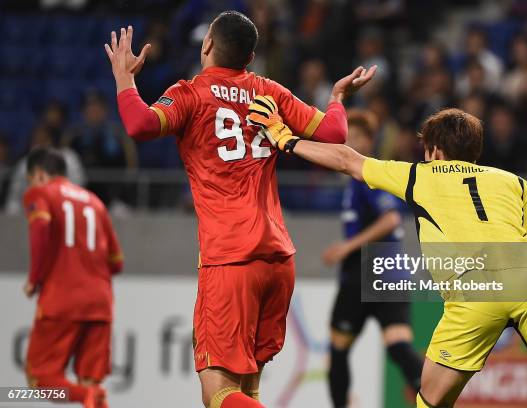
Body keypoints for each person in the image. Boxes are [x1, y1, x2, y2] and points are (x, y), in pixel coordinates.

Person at [103, 11, 376, 408]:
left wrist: (125, 78)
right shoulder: (269, 91)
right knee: (247, 385)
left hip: (230, 258)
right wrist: (336, 100)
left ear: (208, 45)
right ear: (249, 59)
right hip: (278, 257)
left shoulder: (190, 93)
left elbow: (140, 125)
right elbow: (334, 134)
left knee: (218, 391)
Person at [249, 104, 527, 408]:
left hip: (473, 290)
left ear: (433, 151)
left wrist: (286, 139)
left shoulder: (420, 175)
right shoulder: (516, 182)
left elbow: (347, 160)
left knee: (431, 400)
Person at [322, 110, 422, 407]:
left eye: (356, 136)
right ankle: (433, 397)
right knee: (398, 344)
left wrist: (346, 247)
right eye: (346, 136)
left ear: (370, 140)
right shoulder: (363, 177)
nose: (349, 142)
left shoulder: (370, 174)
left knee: (338, 350)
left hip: (367, 269)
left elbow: (391, 219)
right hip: (391, 271)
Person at [22, 147, 123, 408]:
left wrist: (35, 277)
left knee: (40, 378)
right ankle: (90, 395)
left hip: (61, 298)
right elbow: (116, 262)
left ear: (40, 174)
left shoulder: (40, 193)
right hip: (100, 303)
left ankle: (84, 396)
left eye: (30, 178)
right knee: (91, 381)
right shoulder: (95, 202)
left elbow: (40, 228)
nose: (30, 185)